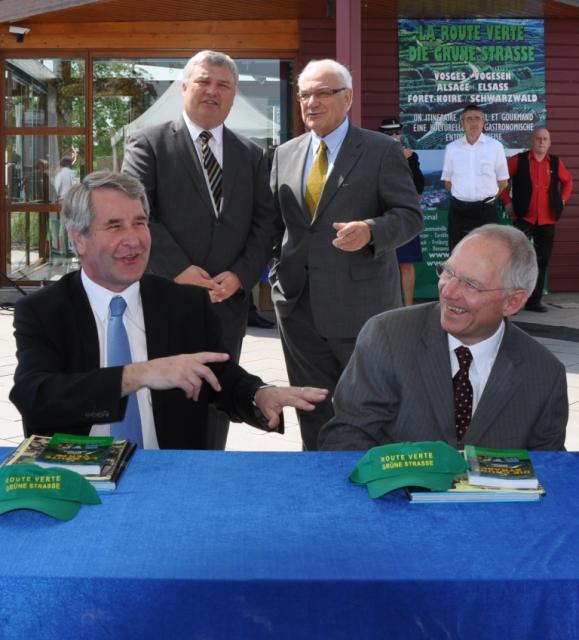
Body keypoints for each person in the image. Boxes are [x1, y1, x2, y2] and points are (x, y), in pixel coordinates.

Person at [9, 171, 328, 449]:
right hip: (78, 479)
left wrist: (259, 394)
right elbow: (35, 397)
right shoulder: (44, 311)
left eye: (140, 223)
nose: (133, 240)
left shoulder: (185, 304)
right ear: (79, 239)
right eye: (115, 226)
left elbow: (221, 377)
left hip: (169, 473)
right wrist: (137, 375)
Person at [122, 50, 280, 450]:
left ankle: (207, 476)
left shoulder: (251, 154)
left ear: (233, 94)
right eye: (204, 82)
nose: (213, 91)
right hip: (165, 298)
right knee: (162, 402)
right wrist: (179, 270)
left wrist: (241, 276)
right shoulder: (148, 143)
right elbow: (137, 215)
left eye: (223, 85)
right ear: (184, 87)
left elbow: (265, 224)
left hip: (225, 304)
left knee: (217, 402)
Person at [270, 58, 423, 450]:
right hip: (299, 310)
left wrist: (371, 231)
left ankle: (371, 476)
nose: (311, 102)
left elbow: (409, 216)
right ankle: (319, 476)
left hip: (362, 308)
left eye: (323, 93)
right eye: (305, 94)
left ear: (348, 97)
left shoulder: (380, 150)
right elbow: (273, 224)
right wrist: (276, 277)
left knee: (370, 409)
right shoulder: (284, 154)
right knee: (313, 410)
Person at [319, 224, 567, 451]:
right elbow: (346, 437)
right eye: (448, 272)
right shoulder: (387, 336)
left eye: (471, 285)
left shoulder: (544, 374)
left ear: (512, 302)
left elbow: (549, 469)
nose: (448, 291)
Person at [499, 127, 573, 313]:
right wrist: (507, 202)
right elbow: (501, 181)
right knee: (517, 261)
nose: (541, 141)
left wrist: (563, 200)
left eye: (545, 139)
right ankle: (513, 302)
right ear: (532, 141)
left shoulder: (555, 162)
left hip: (548, 220)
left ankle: (534, 301)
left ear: (549, 143)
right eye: (538, 138)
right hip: (524, 217)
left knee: (542, 260)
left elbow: (568, 182)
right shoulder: (518, 160)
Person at [441, 104, 509, 252]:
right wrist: (464, 197)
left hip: (486, 212)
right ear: (462, 123)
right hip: (459, 211)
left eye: (477, 118)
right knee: (457, 255)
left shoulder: (495, 147)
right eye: (469, 119)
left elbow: (503, 182)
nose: (473, 122)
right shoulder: (452, 148)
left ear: (483, 122)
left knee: (489, 255)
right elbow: (448, 182)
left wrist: (487, 200)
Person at [379, 117, 424, 306]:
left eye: (397, 133)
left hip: (405, 214)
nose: (394, 136)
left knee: (406, 263)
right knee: (383, 263)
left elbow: (419, 187)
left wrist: (407, 161)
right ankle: (386, 306)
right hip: (382, 215)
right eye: (389, 133)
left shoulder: (411, 156)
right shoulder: (375, 154)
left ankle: (408, 307)